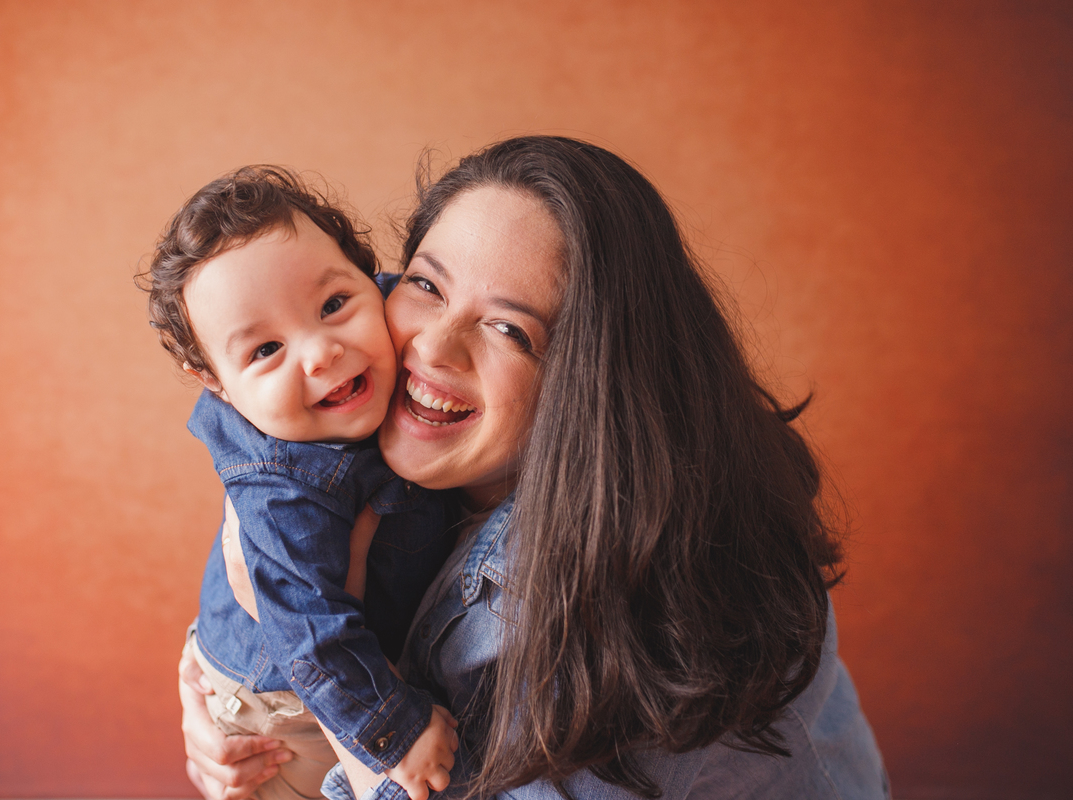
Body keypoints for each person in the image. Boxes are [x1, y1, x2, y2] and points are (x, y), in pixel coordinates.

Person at [179, 137, 890, 799]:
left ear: (597, 381)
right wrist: (230, 687)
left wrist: (335, 722)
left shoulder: (622, 617)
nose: (435, 346)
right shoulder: (360, 407)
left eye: (511, 330)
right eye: (427, 285)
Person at [141, 166, 460, 800]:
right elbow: (308, 632)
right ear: (216, 384)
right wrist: (393, 731)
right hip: (283, 701)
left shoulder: (407, 321)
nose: (320, 353)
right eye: (264, 351)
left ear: (376, 283)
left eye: (335, 305)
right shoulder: (281, 488)